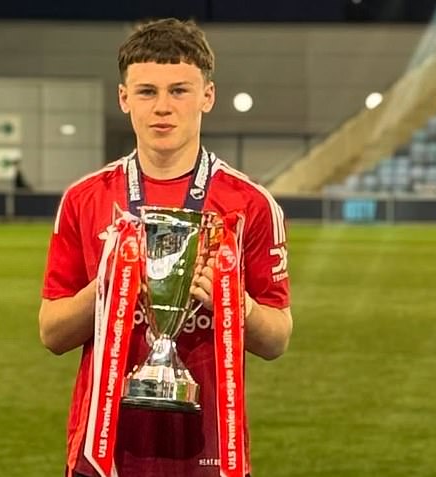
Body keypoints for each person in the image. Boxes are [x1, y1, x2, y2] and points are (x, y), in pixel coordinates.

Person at [39, 18, 293, 477]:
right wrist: (107, 287)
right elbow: (52, 333)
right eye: (146, 92)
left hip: (211, 453)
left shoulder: (251, 204)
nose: (162, 107)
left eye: (179, 91)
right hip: (103, 454)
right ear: (124, 99)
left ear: (207, 96)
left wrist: (235, 304)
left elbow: (276, 339)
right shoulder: (84, 199)